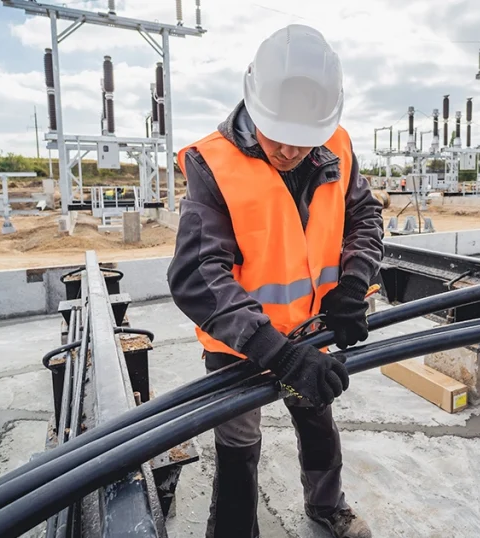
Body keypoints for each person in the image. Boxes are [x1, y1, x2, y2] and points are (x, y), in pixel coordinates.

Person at [167, 24, 382, 538]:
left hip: (312, 334)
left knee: (318, 424)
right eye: (278, 137)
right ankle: (236, 528)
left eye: (304, 142)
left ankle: (326, 508)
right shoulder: (213, 164)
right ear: (254, 107)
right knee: (238, 444)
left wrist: (351, 286)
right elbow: (198, 273)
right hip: (241, 343)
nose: (290, 151)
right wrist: (276, 352)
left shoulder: (337, 146)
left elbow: (364, 220)